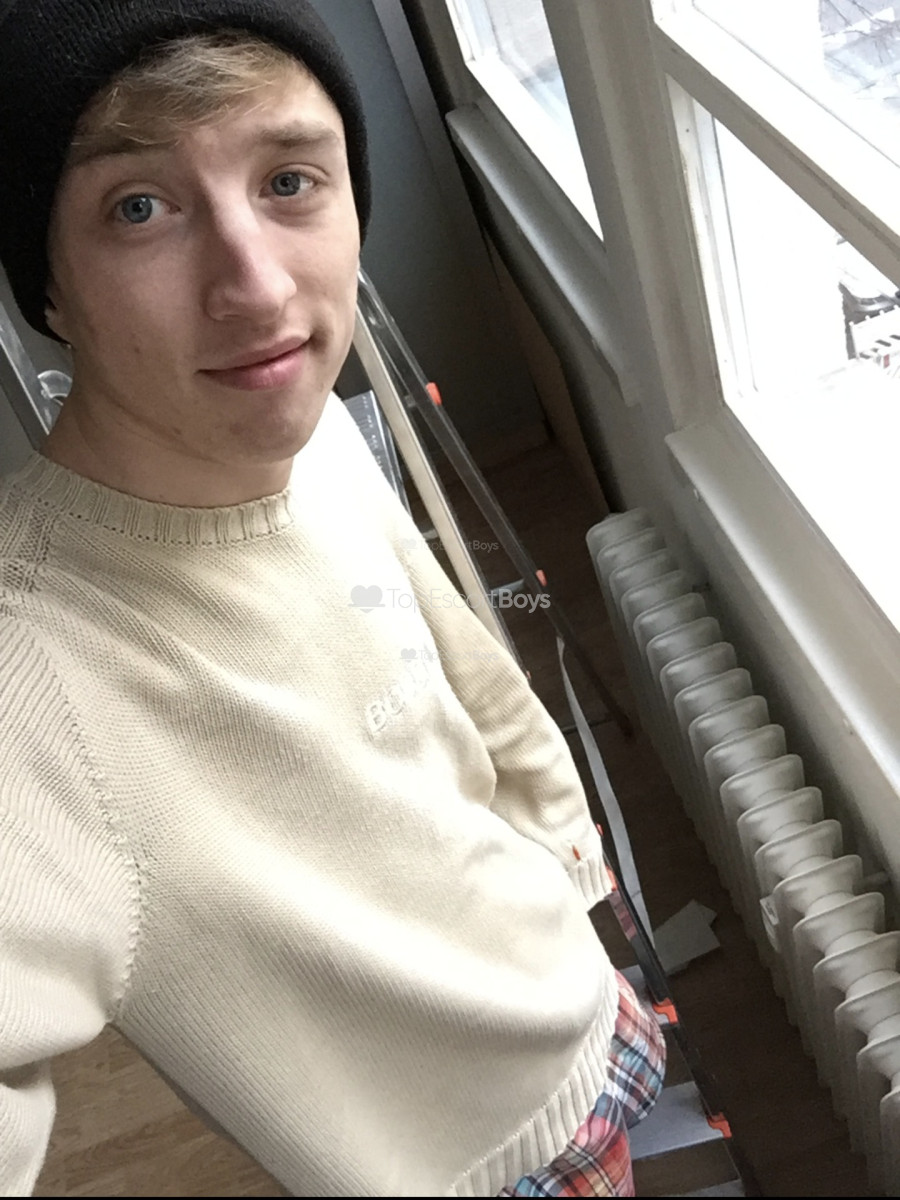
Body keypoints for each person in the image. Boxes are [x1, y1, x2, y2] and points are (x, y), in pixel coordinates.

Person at [0, 2, 665, 1195]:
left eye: (290, 180)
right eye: (138, 208)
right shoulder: (34, 678)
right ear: (48, 285)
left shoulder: (311, 436)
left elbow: (459, 668)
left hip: (575, 1003)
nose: (257, 289)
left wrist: (573, 866)